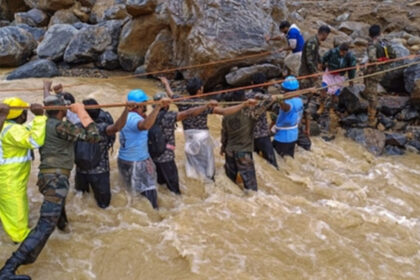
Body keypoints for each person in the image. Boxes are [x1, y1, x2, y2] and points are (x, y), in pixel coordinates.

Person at [0, 93, 102, 280]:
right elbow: (94, 136)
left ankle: (64, 230)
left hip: (47, 179)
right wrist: (81, 112)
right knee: (45, 224)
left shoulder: (42, 125)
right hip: (56, 179)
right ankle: (8, 268)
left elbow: (42, 116)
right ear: (62, 110)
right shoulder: (61, 126)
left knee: (56, 214)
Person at [160, 77, 253, 182]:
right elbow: (224, 111)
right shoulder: (205, 104)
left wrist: (166, 84)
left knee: (193, 168)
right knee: (208, 169)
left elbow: (170, 94)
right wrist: (243, 104)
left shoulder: (182, 101)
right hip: (203, 139)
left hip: (189, 139)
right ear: (199, 90)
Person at [149, 92, 217, 194]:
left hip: (153, 157)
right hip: (167, 159)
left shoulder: (148, 117)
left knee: (161, 185)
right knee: (174, 190)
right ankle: (176, 206)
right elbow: (188, 113)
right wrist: (206, 106)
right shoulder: (169, 116)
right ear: (165, 104)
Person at [0, 98, 46, 244]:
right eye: (25, 112)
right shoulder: (12, 130)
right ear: (20, 116)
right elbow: (35, 141)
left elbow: (26, 129)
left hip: (10, 177)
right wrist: (39, 116)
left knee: (13, 207)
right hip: (10, 179)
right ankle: (19, 240)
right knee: (16, 211)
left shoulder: (6, 126)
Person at [75, 98, 133, 209]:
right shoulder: (101, 128)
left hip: (81, 171)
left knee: (80, 201)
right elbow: (117, 127)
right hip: (99, 172)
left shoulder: (76, 127)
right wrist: (126, 110)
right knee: (104, 206)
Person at [118, 89, 170, 209]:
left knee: (131, 192)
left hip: (124, 160)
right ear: (140, 104)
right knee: (148, 191)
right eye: (145, 103)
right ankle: (154, 214)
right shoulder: (135, 119)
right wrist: (158, 107)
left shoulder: (125, 116)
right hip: (137, 162)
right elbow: (145, 125)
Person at [220, 90, 275, 191]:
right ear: (244, 99)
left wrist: (222, 147)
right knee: (251, 188)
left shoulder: (226, 114)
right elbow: (271, 100)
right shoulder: (250, 113)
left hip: (229, 151)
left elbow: (224, 134)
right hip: (243, 152)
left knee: (229, 182)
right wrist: (258, 96)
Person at [319, 43, 357, 135]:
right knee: (323, 88)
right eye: (341, 52)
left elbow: (352, 69)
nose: (342, 54)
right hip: (330, 73)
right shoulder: (332, 52)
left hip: (340, 75)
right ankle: (321, 106)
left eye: (344, 53)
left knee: (336, 94)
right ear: (339, 49)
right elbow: (323, 59)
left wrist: (351, 80)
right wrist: (321, 66)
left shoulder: (350, 57)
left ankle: (332, 108)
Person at [363, 24, 396, 127]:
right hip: (382, 71)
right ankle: (366, 96)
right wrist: (385, 62)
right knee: (368, 85)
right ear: (380, 33)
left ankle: (371, 117)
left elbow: (372, 59)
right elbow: (393, 56)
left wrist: (375, 61)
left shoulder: (372, 44)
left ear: (370, 34)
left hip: (373, 71)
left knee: (372, 94)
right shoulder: (385, 43)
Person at [245, 73, 278, 168]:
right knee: (272, 163)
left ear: (252, 83)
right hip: (262, 135)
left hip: (250, 135)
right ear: (263, 84)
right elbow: (272, 102)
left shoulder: (246, 96)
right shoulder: (266, 97)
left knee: (255, 163)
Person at [272, 76, 304, 158]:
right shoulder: (299, 100)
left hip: (283, 137)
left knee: (280, 159)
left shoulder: (289, 103)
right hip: (293, 135)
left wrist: (280, 101)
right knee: (288, 158)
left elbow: (286, 107)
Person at [299, 25, 331, 89]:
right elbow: (309, 60)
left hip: (309, 72)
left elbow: (316, 54)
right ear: (324, 34)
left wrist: (320, 62)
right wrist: (314, 72)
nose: (327, 37)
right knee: (305, 92)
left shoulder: (315, 41)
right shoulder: (312, 42)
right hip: (306, 73)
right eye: (327, 35)